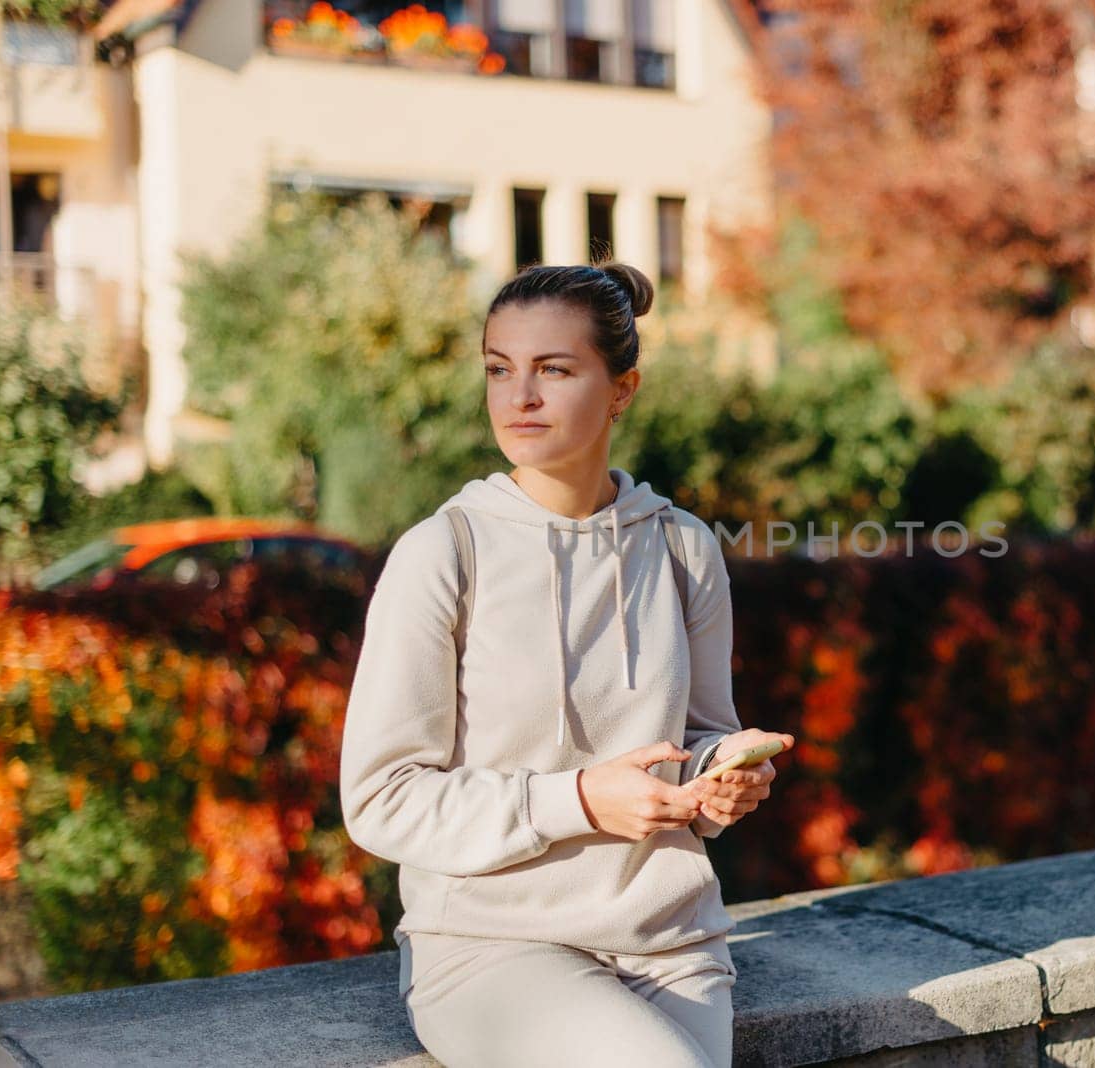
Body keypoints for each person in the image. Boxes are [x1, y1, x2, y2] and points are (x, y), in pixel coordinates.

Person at [339, 262, 795, 1067]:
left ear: (622, 390)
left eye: (553, 369)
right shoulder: (446, 552)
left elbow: (694, 742)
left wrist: (719, 777)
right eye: (498, 369)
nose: (519, 397)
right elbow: (380, 800)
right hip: (491, 946)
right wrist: (580, 799)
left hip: (670, 944)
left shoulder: (682, 546)